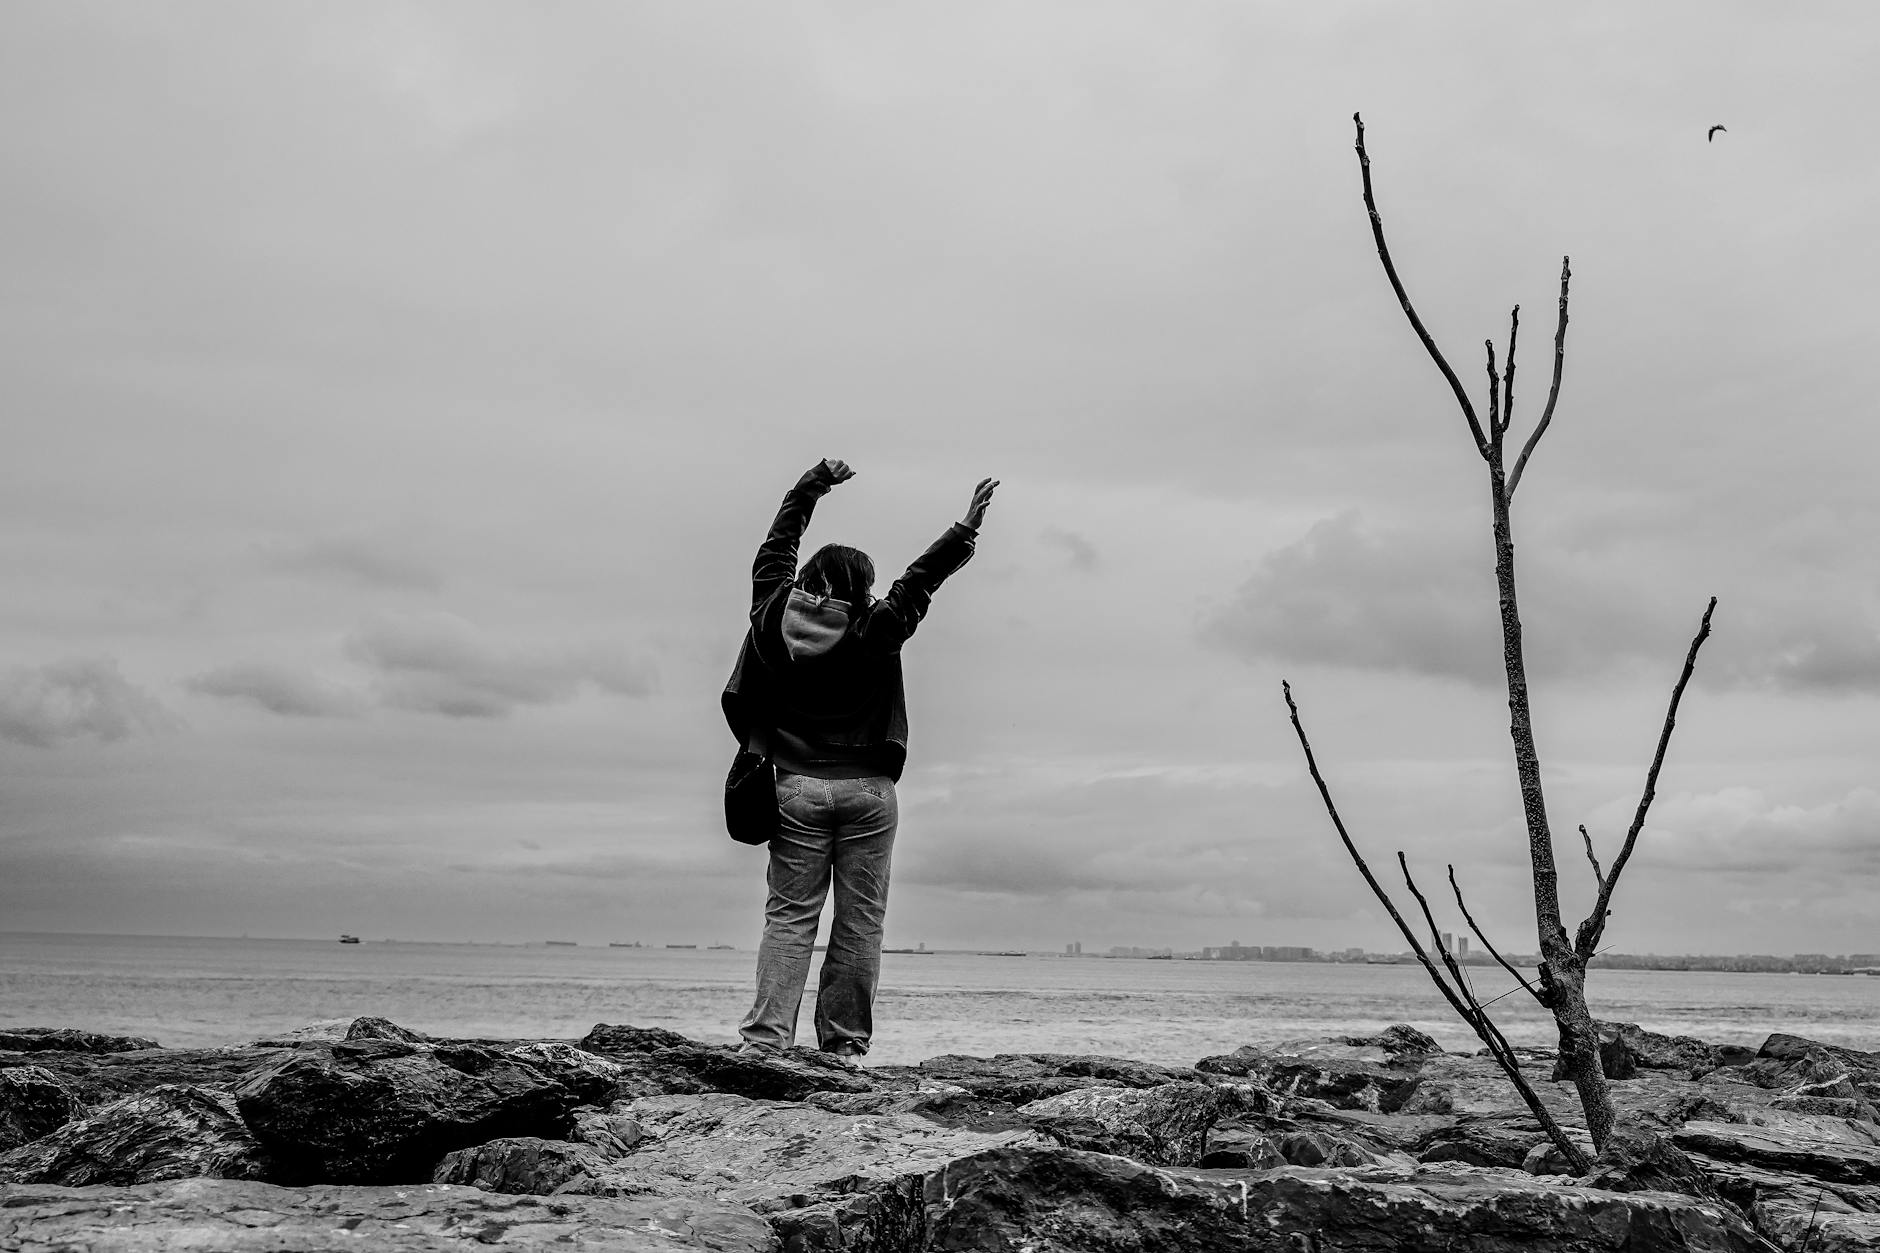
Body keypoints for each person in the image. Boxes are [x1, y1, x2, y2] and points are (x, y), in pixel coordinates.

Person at [722, 458, 996, 1063]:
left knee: (790, 918)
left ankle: (766, 1043)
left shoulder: (770, 612)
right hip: (869, 794)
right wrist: (965, 529)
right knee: (860, 923)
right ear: (862, 590)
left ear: (807, 578)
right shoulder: (876, 626)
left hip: (795, 789)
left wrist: (812, 482)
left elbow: (777, 543)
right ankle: (843, 1048)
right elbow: (920, 581)